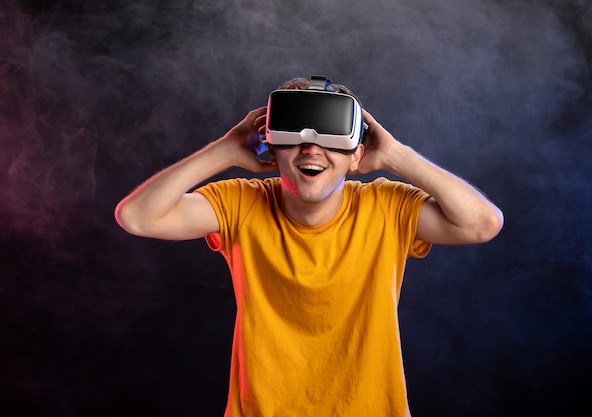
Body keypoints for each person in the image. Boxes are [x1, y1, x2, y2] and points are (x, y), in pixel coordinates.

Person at [115, 77, 504, 417]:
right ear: (270, 148)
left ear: (356, 155)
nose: (311, 148)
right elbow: (138, 217)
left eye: (330, 135)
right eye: (296, 133)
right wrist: (227, 148)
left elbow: (482, 223)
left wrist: (395, 155)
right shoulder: (241, 203)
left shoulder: (387, 206)